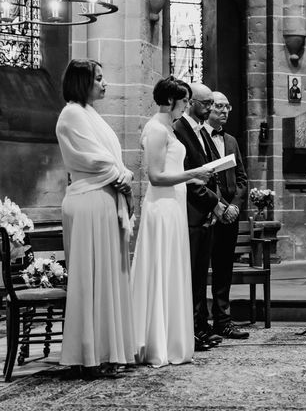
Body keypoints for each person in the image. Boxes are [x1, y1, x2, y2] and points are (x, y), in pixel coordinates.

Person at [55, 59, 136, 378]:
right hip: (89, 201)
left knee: (107, 277)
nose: (105, 84)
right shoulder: (72, 113)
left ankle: (106, 350)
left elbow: (110, 158)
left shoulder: (90, 113)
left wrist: (122, 172)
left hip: (103, 199)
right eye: (98, 79)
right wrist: (120, 174)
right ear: (81, 82)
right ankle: (86, 353)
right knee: (90, 278)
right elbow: (91, 157)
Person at [130, 77, 214, 367]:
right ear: (170, 101)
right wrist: (194, 174)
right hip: (161, 208)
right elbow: (155, 176)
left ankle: (172, 338)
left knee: (173, 272)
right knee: (161, 271)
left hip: (174, 207)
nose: (187, 106)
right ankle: (157, 343)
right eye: (185, 101)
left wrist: (192, 174)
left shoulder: (169, 128)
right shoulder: (155, 128)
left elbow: (171, 168)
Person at [173, 82, 226, 350]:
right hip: (192, 212)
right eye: (205, 104)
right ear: (191, 101)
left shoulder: (201, 131)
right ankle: (191, 331)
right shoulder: (179, 129)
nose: (209, 108)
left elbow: (208, 168)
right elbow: (189, 176)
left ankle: (201, 328)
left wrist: (215, 204)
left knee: (200, 277)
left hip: (204, 214)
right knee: (191, 277)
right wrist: (214, 203)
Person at [203, 91, 250, 339]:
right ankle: (201, 322)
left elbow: (241, 178)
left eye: (227, 106)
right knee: (201, 270)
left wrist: (234, 206)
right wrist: (219, 206)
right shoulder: (200, 136)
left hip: (230, 214)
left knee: (223, 270)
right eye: (219, 106)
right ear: (208, 108)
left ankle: (224, 321)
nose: (225, 111)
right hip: (208, 212)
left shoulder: (230, 140)